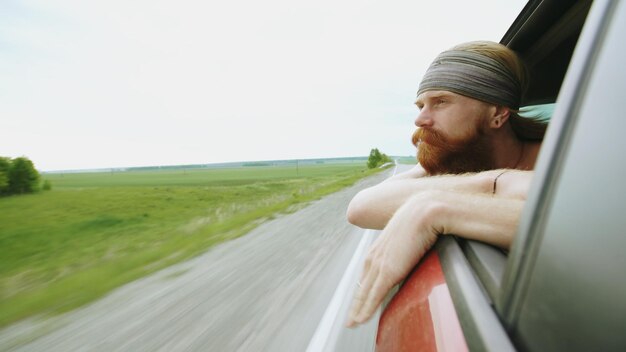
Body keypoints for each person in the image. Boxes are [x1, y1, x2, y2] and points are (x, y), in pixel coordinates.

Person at [345, 41, 548, 327]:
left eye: (440, 102)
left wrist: (436, 208)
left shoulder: (564, 157)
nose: (420, 118)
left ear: (498, 114)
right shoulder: (455, 159)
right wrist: (494, 182)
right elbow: (360, 207)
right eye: (420, 105)